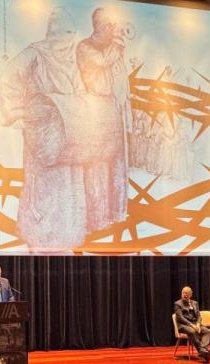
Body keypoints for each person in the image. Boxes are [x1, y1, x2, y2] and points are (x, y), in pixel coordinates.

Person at [0, 7, 89, 251]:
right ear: (56, 34)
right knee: (42, 194)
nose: (70, 43)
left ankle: (65, 243)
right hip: (42, 138)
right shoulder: (34, 54)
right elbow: (9, 81)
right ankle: (39, 245)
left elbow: (80, 91)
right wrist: (17, 114)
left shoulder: (72, 61)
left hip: (68, 138)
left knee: (68, 193)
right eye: (66, 36)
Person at [76, 7, 131, 232]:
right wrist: (117, 45)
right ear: (98, 26)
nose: (113, 29)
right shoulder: (85, 47)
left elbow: (121, 79)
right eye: (109, 25)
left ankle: (116, 213)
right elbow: (101, 61)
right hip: (95, 110)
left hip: (113, 107)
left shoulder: (111, 48)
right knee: (97, 166)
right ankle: (97, 219)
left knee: (117, 164)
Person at [173, 286, 210, 363]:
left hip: (195, 324)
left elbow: (199, 316)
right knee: (192, 331)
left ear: (190, 294)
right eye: (183, 293)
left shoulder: (195, 303)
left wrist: (198, 324)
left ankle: (203, 350)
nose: (184, 295)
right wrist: (192, 325)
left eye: (186, 293)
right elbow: (180, 318)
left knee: (206, 331)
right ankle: (202, 351)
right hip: (183, 325)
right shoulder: (177, 304)